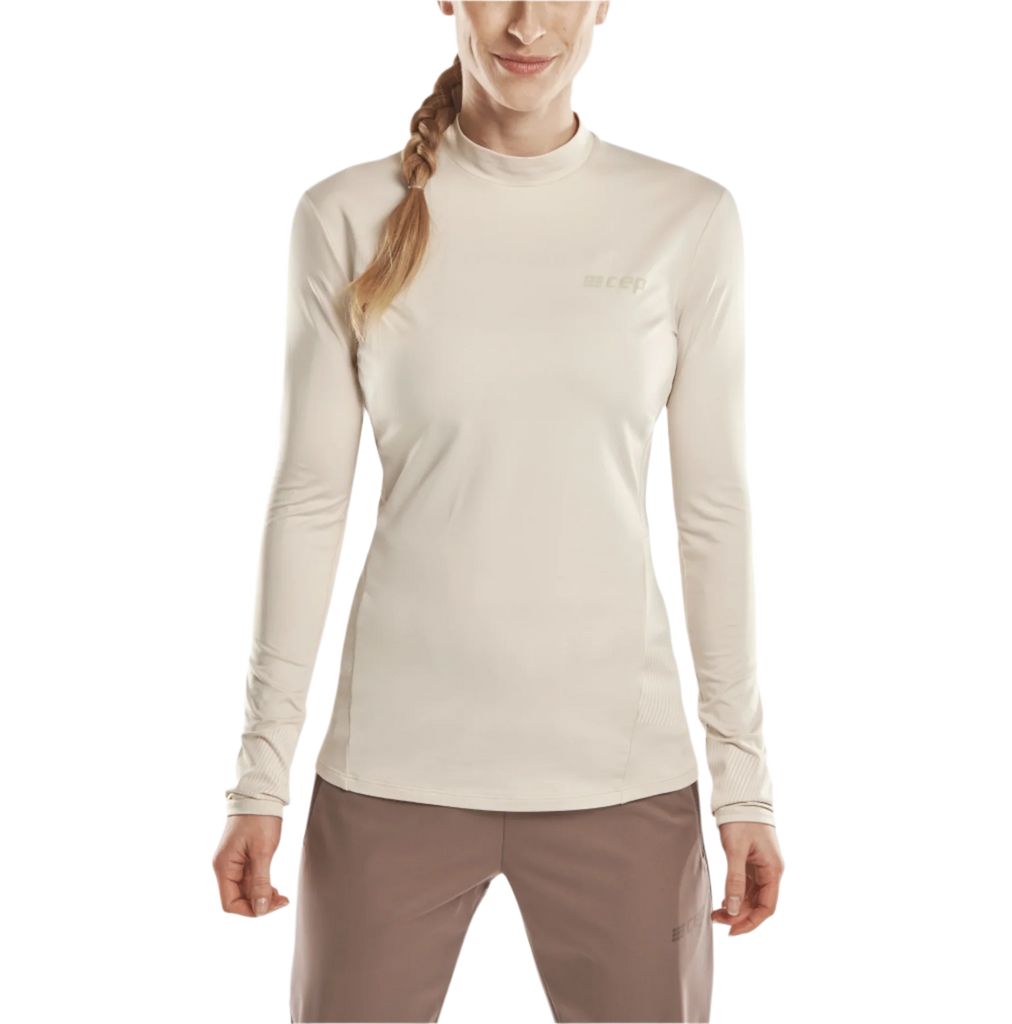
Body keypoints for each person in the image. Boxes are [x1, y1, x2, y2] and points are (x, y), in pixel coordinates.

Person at [209, 1, 788, 1021]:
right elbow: (307, 502)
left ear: (603, 5)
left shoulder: (688, 214)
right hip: (388, 772)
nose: (527, 24)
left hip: (622, 774)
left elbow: (710, 514)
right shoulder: (342, 211)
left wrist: (744, 785)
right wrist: (261, 776)